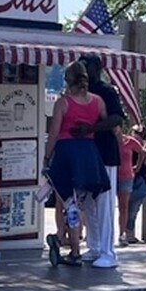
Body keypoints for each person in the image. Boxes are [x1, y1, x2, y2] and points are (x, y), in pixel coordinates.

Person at [43, 61, 112, 267]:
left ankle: (74, 250)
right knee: (80, 201)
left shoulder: (63, 103)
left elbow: (54, 133)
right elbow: (106, 124)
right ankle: (64, 238)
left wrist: (47, 157)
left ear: (68, 80)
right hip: (89, 154)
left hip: (66, 154)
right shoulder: (98, 101)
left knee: (69, 203)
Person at [69, 55, 125, 268]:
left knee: (104, 203)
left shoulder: (106, 91)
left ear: (96, 68)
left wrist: (91, 128)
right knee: (89, 203)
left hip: (105, 153)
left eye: (86, 65)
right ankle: (94, 246)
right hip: (85, 153)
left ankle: (108, 251)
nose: (82, 69)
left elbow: (117, 118)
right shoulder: (78, 93)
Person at [116, 126, 146, 247]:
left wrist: (138, 165)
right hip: (111, 176)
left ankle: (122, 234)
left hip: (126, 176)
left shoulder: (130, 141)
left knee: (124, 206)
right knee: (107, 205)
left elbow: (142, 152)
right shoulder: (109, 141)